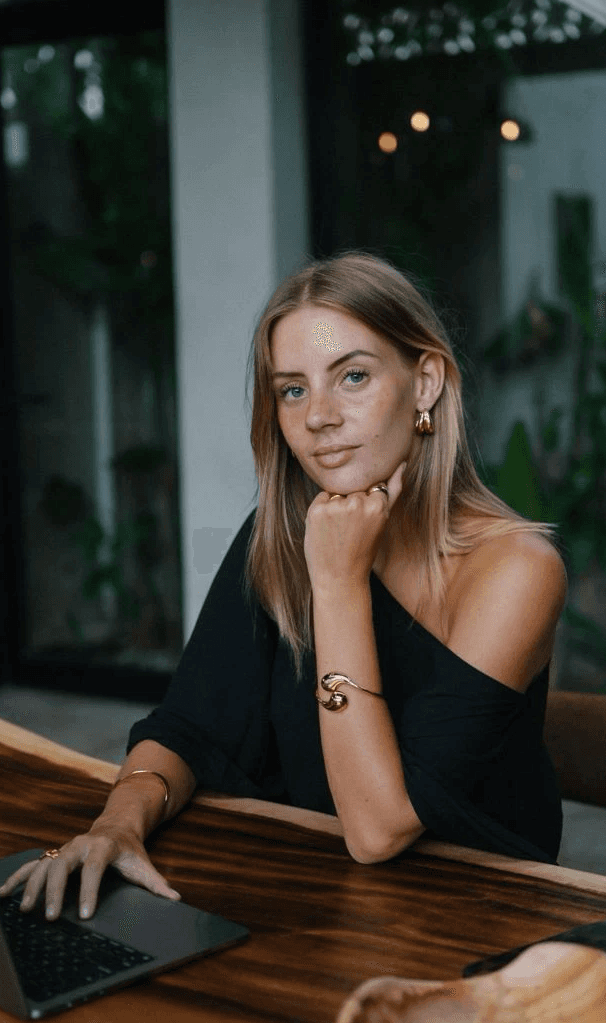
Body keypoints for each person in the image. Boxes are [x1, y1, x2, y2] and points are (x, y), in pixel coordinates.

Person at [0, 250, 567, 924]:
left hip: (474, 927)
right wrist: (118, 820)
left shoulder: (516, 568)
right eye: (293, 388)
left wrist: (336, 583)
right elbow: (188, 725)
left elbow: (378, 830)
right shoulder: (284, 529)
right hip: (316, 901)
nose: (319, 416)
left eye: (352, 376)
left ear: (426, 383)